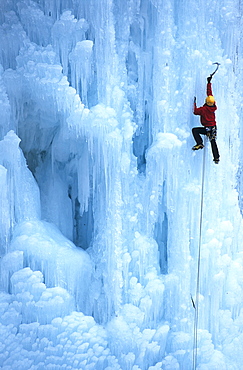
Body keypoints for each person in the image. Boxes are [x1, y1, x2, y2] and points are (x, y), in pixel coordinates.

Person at [192, 76, 220, 164]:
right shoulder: (213, 106)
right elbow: (209, 93)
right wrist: (209, 83)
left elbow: (195, 112)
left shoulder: (203, 110)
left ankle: (199, 143)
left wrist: (194, 103)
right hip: (213, 128)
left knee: (195, 130)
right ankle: (216, 158)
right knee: (213, 142)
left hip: (207, 128)